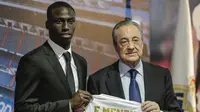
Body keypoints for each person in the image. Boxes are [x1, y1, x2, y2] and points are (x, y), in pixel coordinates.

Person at [87, 20, 181, 112]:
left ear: (142, 43)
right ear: (115, 46)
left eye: (135, 40)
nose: (131, 47)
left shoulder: (161, 75)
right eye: (124, 41)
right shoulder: (98, 81)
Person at [14, 1, 91, 112]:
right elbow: (22, 109)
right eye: (59, 21)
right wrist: (68, 104)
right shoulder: (32, 60)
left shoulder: (81, 62)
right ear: (47, 25)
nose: (66, 27)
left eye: (70, 21)